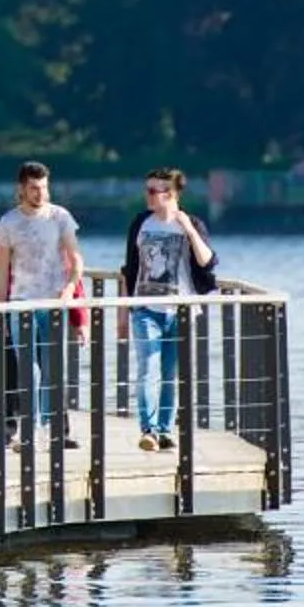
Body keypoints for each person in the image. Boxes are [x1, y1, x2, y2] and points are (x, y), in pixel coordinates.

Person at [120, 169, 218, 451]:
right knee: (148, 368)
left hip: (181, 311)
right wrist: (123, 314)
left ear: (172, 193)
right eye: (147, 190)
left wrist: (189, 230)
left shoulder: (191, 223)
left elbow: (207, 261)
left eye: (154, 191)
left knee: (169, 373)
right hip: (144, 308)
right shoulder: (141, 223)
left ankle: (164, 430)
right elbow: (129, 270)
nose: (148, 195)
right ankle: (148, 430)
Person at [0, 161, 83, 435]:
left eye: (43, 187)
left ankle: (50, 425)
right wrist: (2, 309)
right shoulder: (9, 221)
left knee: (53, 367)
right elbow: (2, 269)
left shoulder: (60, 216)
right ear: (22, 189)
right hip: (21, 302)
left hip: (53, 301)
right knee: (28, 368)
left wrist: (70, 288)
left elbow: (76, 259)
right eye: (34, 188)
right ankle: (30, 425)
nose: (40, 193)